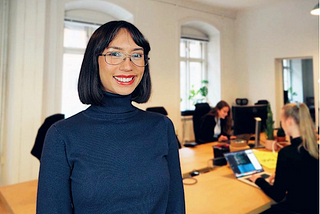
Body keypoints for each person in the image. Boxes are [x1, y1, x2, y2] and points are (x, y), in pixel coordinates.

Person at [36, 20, 185, 214]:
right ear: (94, 61)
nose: (128, 65)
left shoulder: (161, 126)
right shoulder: (61, 135)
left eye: (137, 55)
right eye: (115, 54)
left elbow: (176, 205)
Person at [249, 103, 319, 214]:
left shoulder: (286, 154)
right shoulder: (315, 148)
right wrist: (285, 175)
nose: (281, 125)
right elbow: (305, 177)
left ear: (289, 121)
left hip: (296, 209)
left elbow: (277, 195)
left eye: (281, 121)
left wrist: (258, 180)